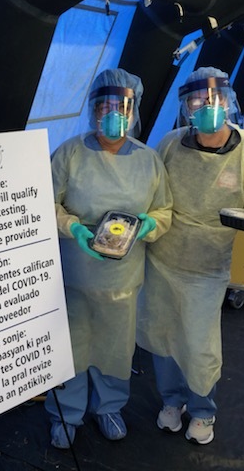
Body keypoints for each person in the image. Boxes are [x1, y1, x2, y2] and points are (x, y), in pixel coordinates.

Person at [137, 67, 244, 445]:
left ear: (228, 102)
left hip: (208, 264)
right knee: (163, 336)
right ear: (186, 107)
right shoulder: (171, 144)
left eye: (214, 99)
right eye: (197, 101)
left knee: (200, 343)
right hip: (163, 256)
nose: (206, 106)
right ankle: (172, 401)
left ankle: (203, 410)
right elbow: (151, 194)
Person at [45, 68, 172, 449]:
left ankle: (109, 407)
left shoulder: (148, 161)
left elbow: (164, 210)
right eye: (104, 107)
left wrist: (150, 225)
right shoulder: (69, 153)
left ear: (132, 112)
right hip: (75, 273)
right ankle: (65, 414)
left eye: (120, 107)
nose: (112, 115)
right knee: (72, 344)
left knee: (116, 348)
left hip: (122, 279)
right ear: (92, 110)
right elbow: (43, 204)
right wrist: (74, 229)